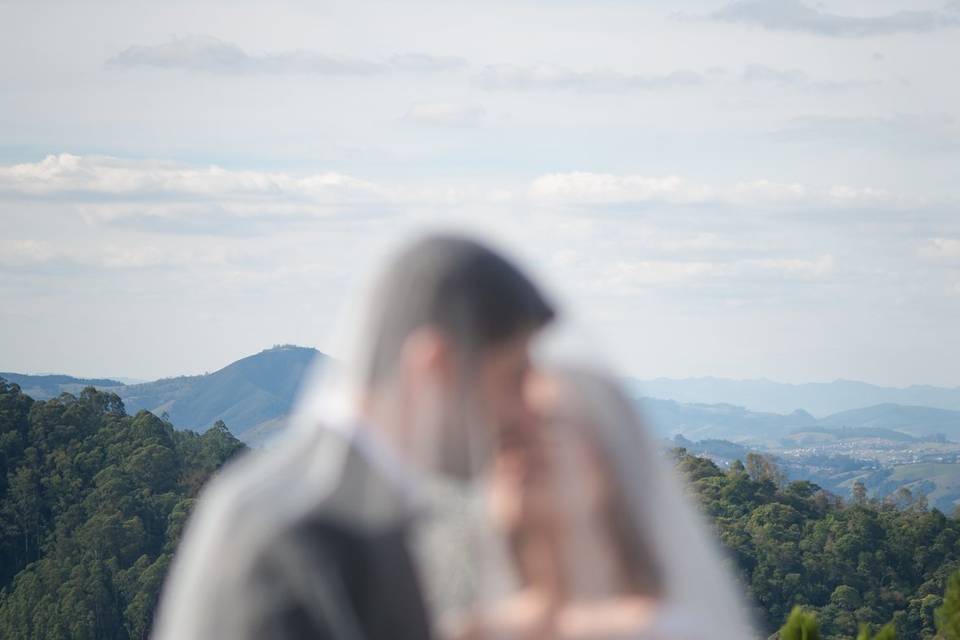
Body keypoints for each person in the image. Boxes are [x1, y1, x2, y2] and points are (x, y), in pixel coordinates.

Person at [152, 234, 556, 640]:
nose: (527, 414)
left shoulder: (365, 512)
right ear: (437, 366)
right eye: (513, 379)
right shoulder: (297, 533)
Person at [451, 367, 757, 640]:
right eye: (509, 434)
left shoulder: (669, 632)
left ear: (610, 468)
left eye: (547, 426)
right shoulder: (467, 631)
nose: (521, 448)